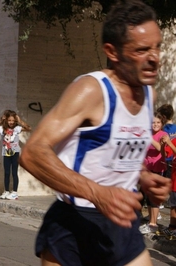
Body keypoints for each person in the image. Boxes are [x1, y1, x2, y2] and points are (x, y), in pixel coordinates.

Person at [19, 1, 171, 265]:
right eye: (142, 50)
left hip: (123, 221)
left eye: (157, 46)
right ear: (112, 51)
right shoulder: (91, 90)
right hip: (75, 222)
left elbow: (113, 156)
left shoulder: (149, 94)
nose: (154, 57)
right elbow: (33, 153)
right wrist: (97, 193)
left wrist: (144, 176)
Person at [0, 110, 31, 200]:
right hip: (6, 153)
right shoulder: (2, 129)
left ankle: (15, 192)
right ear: (6, 120)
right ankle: (6, 191)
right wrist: (1, 121)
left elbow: (28, 128)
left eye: (13, 120)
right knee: (7, 172)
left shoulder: (17, 128)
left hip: (15, 153)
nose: (11, 122)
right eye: (9, 120)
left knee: (14, 172)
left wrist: (20, 121)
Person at [139, 112, 168, 234]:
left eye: (158, 122)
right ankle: (150, 220)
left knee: (153, 198)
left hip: (157, 169)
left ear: (162, 124)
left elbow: (159, 149)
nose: (155, 124)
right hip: (146, 169)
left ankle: (153, 224)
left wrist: (149, 138)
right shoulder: (148, 133)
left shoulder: (163, 135)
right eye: (153, 122)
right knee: (146, 196)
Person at [160, 134, 176, 240]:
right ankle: (172, 228)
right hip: (174, 180)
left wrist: (169, 143)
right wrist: (162, 146)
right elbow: (165, 155)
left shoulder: (173, 141)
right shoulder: (175, 140)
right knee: (173, 205)